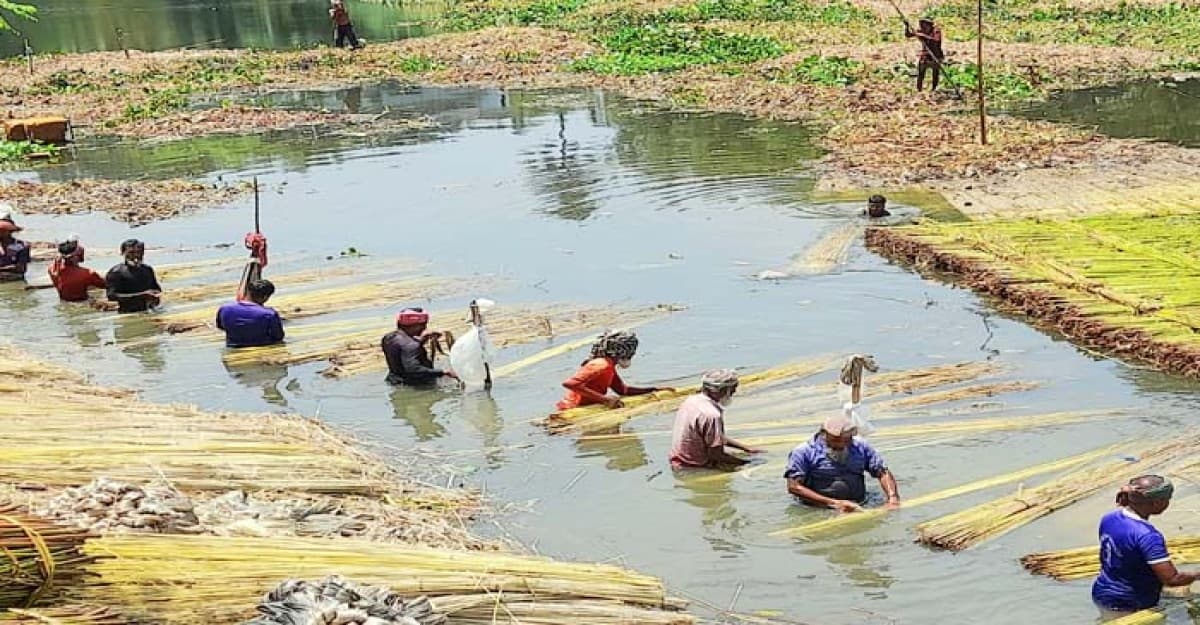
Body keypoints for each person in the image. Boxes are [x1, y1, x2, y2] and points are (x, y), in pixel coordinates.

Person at [1092, 475, 1200, 619]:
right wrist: (1197, 574)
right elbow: (1172, 579)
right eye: (1168, 499)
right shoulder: (1148, 536)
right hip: (1128, 604)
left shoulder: (1110, 518)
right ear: (1157, 503)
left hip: (1103, 591)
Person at [784, 414, 900, 513]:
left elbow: (882, 471)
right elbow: (794, 487)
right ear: (823, 435)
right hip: (819, 509)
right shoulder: (803, 452)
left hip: (860, 504)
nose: (841, 445)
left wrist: (893, 498)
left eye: (846, 440)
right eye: (835, 440)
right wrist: (834, 503)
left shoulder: (860, 446)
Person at [669, 369, 764, 470]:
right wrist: (748, 463)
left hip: (678, 461)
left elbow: (711, 437)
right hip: (695, 467)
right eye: (733, 389)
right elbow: (716, 455)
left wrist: (746, 448)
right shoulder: (712, 415)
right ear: (722, 390)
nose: (734, 392)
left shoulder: (691, 401)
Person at [555, 331, 664, 411]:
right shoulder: (602, 364)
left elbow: (623, 390)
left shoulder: (609, 366)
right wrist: (605, 400)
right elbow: (570, 384)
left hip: (587, 408)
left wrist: (652, 390)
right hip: (572, 410)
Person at [381, 307, 457, 386]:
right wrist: (444, 372)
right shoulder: (411, 344)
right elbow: (414, 369)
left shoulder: (388, 338)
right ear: (414, 325)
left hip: (394, 381)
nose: (425, 328)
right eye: (423, 325)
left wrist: (421, 341)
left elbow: (403, 356)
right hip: (414, 385)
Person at [215, 279, 285, 348]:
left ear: (248, 292)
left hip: (233, 348)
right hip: (261, 349)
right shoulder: (269, 314)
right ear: (265, 297)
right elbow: (278, 337)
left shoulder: (225, 308)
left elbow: (220, 326)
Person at [105, 239, 162, 313]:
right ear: (123, 253)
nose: (136, 255)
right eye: (131, 252)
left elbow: (156, 289)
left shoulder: (148, 269)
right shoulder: (116, 272)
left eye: (139, 252)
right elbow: (111, 296)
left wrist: (156, 297)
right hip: (128, 313)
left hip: (151, 311)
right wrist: (141, 296)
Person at [48, 237, 106, 302]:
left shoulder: (53, 269)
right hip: (83, 304)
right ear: (75, 257)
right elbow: (105, 285)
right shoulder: (87, 274)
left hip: (64, 302)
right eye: (80, 250)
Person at [906, 17, 944, 92]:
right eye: (921, 25)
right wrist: (906, 26)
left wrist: (922, 36)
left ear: (929, 25)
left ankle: (934, 89)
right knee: (921, 73)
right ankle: (919, 90)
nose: (922, 27)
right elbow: (908, 35)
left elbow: (935, 41)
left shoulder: (936, 31)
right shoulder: (921, 31)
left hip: (935, 55)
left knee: (935, 73)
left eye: (924, 25)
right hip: (925, 55)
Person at [0, 217, 29, 282]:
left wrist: (2, 269)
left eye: (1, 231)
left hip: (13, 277)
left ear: (8, 232)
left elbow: (20, 268)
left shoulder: (21, 246)